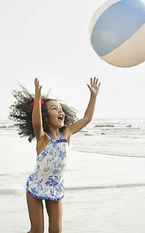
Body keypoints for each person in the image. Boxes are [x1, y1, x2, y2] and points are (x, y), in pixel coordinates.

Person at [9, 77, 100, 233]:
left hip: (54, 187)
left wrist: (94, 96)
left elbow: (87, 118)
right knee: (37, 230)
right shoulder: (43, 138)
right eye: (54, 109)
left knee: (56, 231)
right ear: (46, 117)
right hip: (36, 186)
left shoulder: (67, 134)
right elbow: (36, 123)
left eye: (61, 109)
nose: (60, 111)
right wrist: (38, 99)